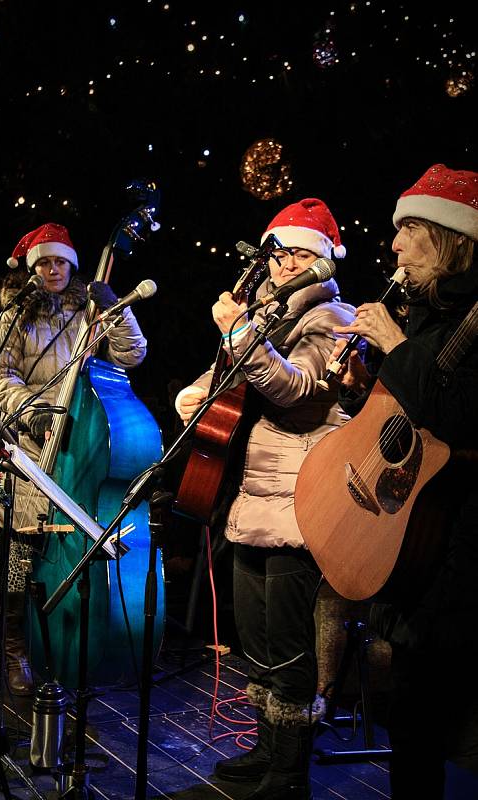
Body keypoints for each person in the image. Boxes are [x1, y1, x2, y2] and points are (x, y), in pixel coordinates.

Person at [175, 198, 356, 799]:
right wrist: (193, 399)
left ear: (324, 260)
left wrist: (238, 330)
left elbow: (294, 389)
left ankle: (290, 773)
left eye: (299, 254)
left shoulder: (333, 315)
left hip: (301, 499)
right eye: (278, 254)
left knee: (287, 644)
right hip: (252, 497)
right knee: (255, 639)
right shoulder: (266, 317)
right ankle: (264, 748)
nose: (283, 266)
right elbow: (223, 382)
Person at [329, 163, 478, 799]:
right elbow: (416, 414)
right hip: (418, 551)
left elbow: (465, 415)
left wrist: (396, 347)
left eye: (408, 229)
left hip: (463, 561)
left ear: (449, 239)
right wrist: (370, 386)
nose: (392, 245)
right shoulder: (425, 310)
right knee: (413, 736)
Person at [0, 222, 147, 695]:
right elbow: (0, 377)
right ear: (32, 269)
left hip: (82, 441)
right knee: (22, 550)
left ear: (72, 266)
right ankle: (18, 648)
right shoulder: (16, 316)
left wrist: (118, 309)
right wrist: (32, 411)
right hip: (32, 444)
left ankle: (79, 644)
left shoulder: (92, 309)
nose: (52, 269)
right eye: (44, 263)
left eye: (59, 262)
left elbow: (132, 355)